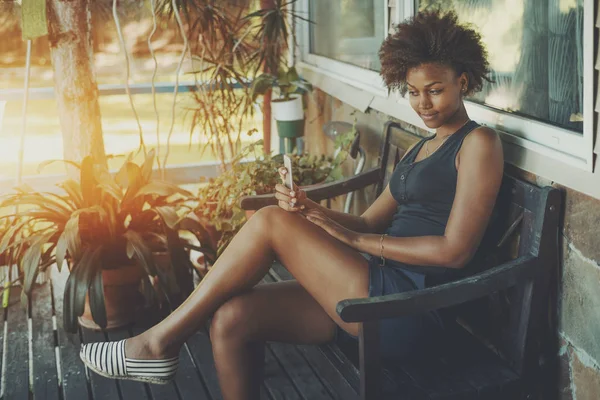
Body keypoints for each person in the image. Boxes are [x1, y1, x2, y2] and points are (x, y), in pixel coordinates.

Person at [79, 9, 503, 399]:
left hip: (410, 310)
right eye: (413, 92)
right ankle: (158, 344)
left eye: (435, 90)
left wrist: (352, 240)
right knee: (233, 317)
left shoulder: (478, 142)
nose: (423, 104)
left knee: (270, 222)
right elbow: (369, 220)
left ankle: (156, 343)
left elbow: (454, 251)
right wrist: (312, 213)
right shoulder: (423, 147)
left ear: (463, 81)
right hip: (371, 290)